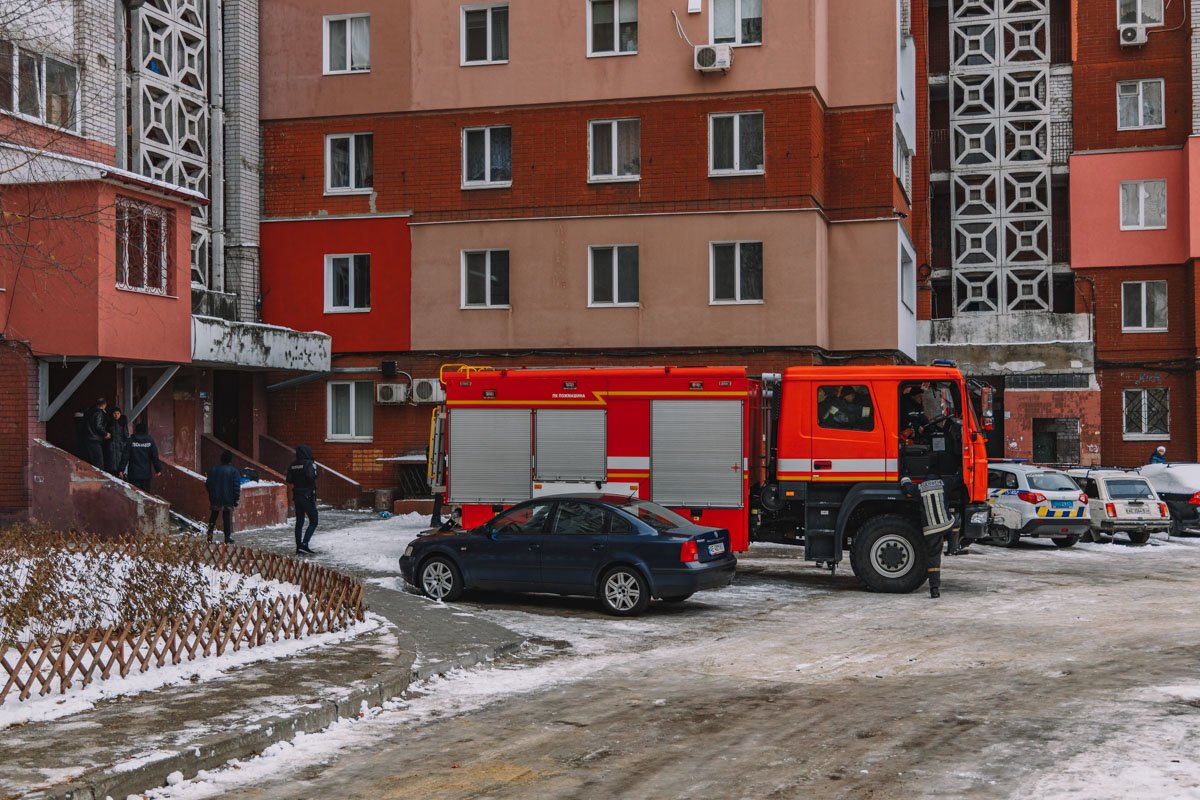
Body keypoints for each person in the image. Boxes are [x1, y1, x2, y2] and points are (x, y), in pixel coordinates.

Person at [287, 444, 320, 556]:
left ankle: (298, 546)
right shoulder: (310, 464)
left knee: (299, 522)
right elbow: (312, 477)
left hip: (297, 496)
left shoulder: (292, 465)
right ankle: (305, 544)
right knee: (314, 520)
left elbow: (289, 479)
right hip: (307, 496)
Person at [205, 449, 241, 544]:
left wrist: (212, 494)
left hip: (215, 498)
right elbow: (236, 487)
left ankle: (209, 536)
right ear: (230, 460)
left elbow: (208, 484)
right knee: (226, 517)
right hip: (228, 498)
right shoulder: (234, 471)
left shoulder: (213, 470)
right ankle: (227, 538)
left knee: (213, 516)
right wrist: (236, 498)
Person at [119, 422, 162, 492]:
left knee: (134, 494)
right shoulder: (150, 441)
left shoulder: (131, 441)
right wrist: (158, 469)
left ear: (136, 430)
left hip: (133, 474)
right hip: (146, 474)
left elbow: (125, 456)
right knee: (145, 495)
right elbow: (154, 456)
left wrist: (121, 469)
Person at [83, 397, 110, 469]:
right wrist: (106, 433)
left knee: (90, 462)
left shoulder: (88, 411)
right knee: (98, 462)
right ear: (104, 405)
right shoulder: (99, 412)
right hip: (94, 440)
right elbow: (98, 426)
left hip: (87, 438)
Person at [104, 406, 130, 475]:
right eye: (114, 413)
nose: (116, 415)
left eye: (118, 413)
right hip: (111, 445)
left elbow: (126, 434)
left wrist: (126, 443)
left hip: (121, 445)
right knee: (111, 464)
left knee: (121, 463)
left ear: (120, 414)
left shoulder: (123, 422)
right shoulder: (109, 422)